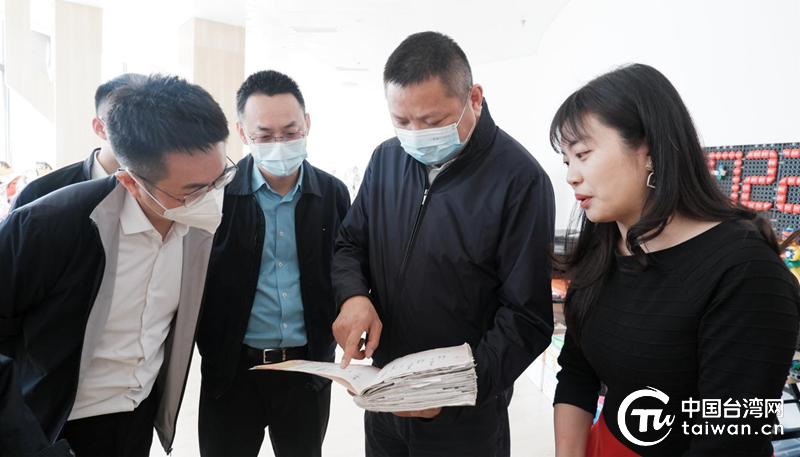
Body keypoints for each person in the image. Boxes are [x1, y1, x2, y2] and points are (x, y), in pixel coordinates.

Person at [551, 64, 800, 456]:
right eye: (567, 161)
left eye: (582, 154)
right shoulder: (602, 246)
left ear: (649, 150)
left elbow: (728, 440)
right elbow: (576, 373)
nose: (571, 176)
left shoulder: (745, 271)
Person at [331, 31, 555, 456]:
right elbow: (350, 244)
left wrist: (454, 391)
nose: (415, 134)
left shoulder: (520, 180)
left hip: (463, 416)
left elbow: (526, 318)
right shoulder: (386, 160)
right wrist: (353, 295)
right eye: (401, 121)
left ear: (474, 98)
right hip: (385, 397)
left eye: (432, 121)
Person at [0, 74, 234, 456]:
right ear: (130, 182)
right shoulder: (46, 226)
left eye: (220, 177)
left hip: (137, 419)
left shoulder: (202, 228)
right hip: (54, 427)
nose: (211, 197)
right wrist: (23, 440)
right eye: (192, 192)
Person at [197, 70, 350, 457]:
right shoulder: (217, 196)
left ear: (307, 124)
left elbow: (347, 266)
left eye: (290, 132)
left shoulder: (332, 194)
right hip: (233, 371)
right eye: (264, 136)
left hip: (307, 371)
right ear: (243, 133)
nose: (279, 144)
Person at [10, 73, 144, 211]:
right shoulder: (40, 193)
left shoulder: (157, 190)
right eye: (129, 123)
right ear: (100, 128)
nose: (145, 133)